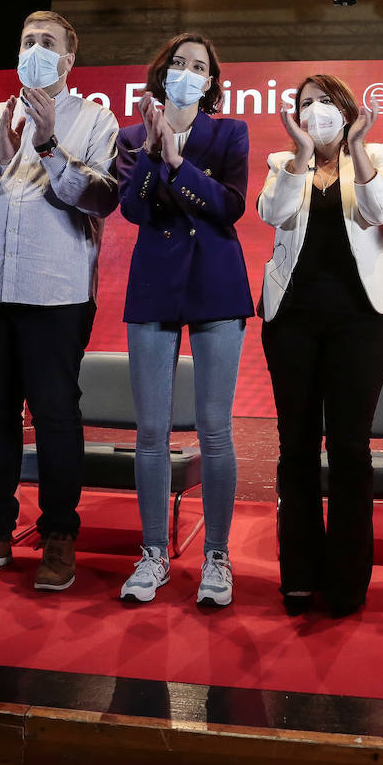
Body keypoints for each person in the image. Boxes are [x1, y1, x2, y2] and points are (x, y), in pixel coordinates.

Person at [0, 10, 119, 591]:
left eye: (48, 43)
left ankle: (59, 535)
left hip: (56, 293)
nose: (35, 49)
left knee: (57, 416)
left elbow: (99, 198)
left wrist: (48, 146)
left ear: (68, 60)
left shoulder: (95, 120)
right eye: (27, 41)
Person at [111, 33, 253, 607]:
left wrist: (178, 162)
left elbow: (230, 206)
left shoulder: (228, 133)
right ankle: (153, 553)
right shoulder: (129, 136)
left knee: (214, 429)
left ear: (211, 81)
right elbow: (134, 208)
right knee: (151, 431)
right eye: (179, 64)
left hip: (216, 284)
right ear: (162, 73)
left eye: (200, 67)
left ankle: (216, 555)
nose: (188, 73)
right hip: (154, 286)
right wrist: (150, 152)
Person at [258, 74, 383, 617]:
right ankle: (298, 573)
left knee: (349, 450)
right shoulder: (282, 162)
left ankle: (346, 581)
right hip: (291, 324)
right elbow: (271, 214)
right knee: (295, 449)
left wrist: (359, 148)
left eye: (325, 102)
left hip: (360, 325)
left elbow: (380, 210)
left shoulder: (375, 154)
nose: (315, 111)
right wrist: (299, 154)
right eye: (305, 104)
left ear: (347, 110)